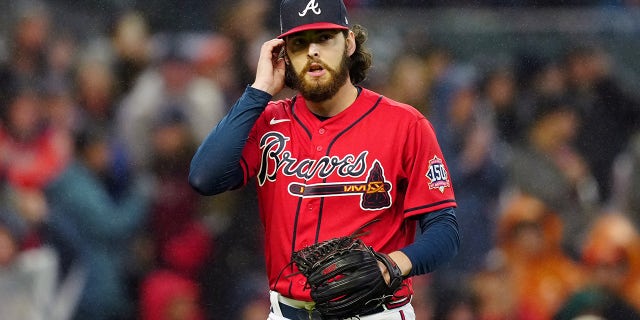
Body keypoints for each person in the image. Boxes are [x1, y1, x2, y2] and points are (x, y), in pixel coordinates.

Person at [189, 0, 460, 319]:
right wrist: (259, 90)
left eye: (324, 38)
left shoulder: (405, 125)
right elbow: (204, 177)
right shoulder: (268, 122)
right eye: (300, 43)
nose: (313, 51)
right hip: (287, 311)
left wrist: (390, 266)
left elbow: (445, 231)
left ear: (349, 43)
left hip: (374, 312)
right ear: (283, 54)